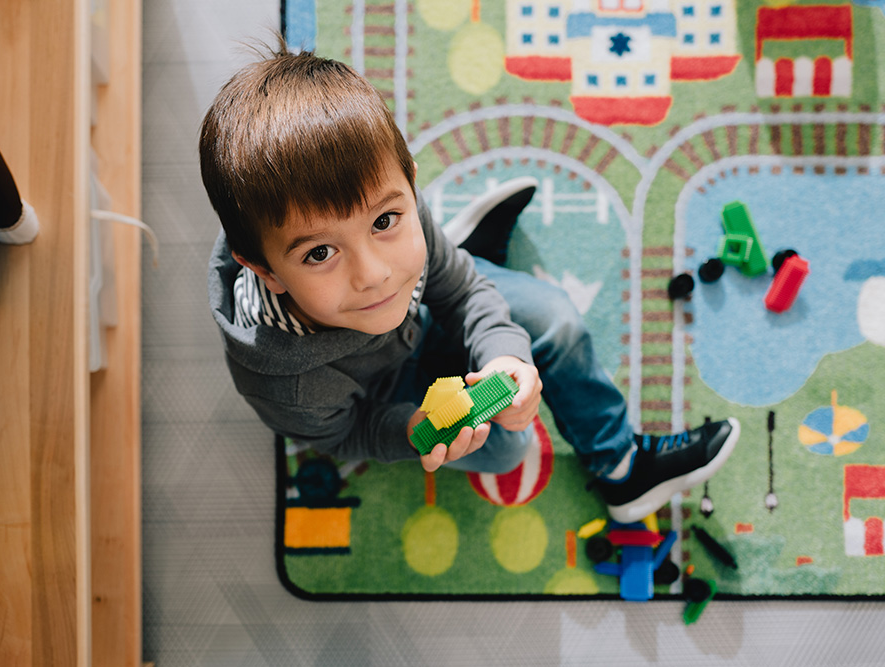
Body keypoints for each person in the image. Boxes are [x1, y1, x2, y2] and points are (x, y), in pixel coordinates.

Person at [200, 42, 739, 523]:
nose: (374, 273)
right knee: (507, 450)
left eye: (385, 221)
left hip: (427, 311)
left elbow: (461, 292)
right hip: (392, 394)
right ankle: (471, 251)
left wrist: (504, 355)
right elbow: (345, 435)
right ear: (265, 270)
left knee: (554, 315)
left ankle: (620, 466)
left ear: (410, 184)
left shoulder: (394, 208)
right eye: (320, 253)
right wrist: (410, 429)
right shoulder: (287, 385)